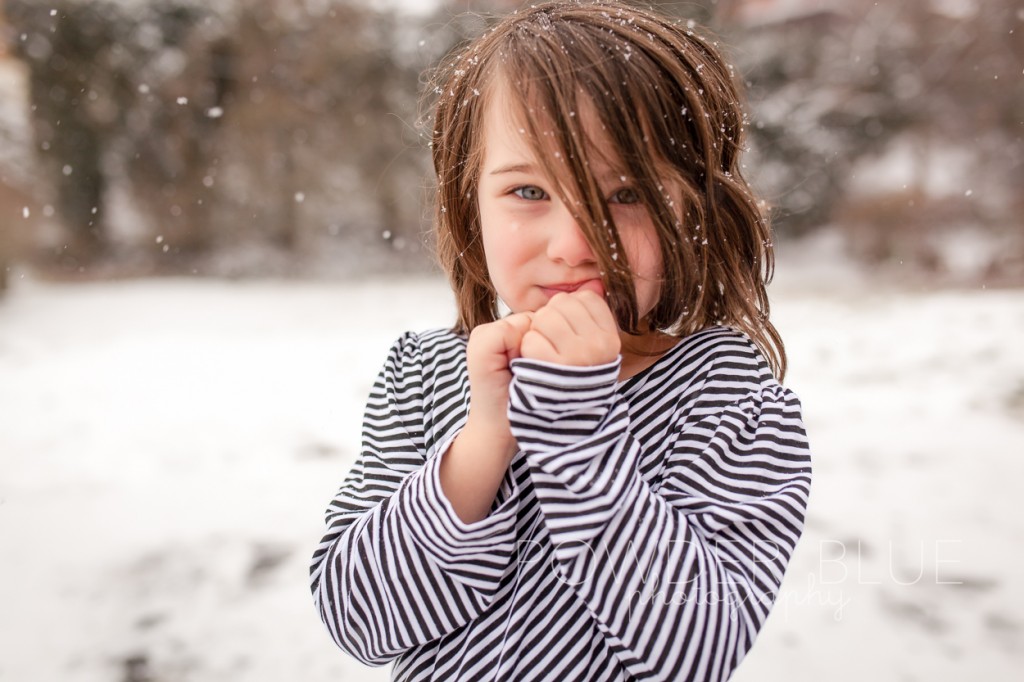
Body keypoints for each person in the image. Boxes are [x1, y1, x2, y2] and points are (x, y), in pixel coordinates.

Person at [309, 1, 813, 679]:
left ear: (695, 209)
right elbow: (358, 619)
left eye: (627, 194)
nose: (574, 245)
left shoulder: (729, 404)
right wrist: (481, 445)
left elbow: (695, 651)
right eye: (527, 191)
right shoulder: (423, 375)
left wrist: (580, 434)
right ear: (470, 208)